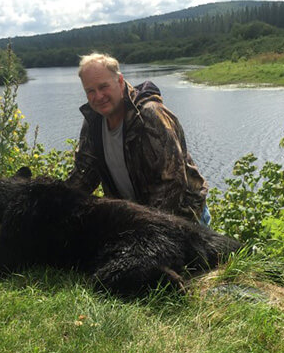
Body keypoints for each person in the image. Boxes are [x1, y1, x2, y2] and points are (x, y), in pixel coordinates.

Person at [65, 52, 211, 225]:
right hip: (137, 222)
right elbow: (84, 174)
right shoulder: (94, 121)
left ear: (119, 82)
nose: (98, 96)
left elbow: (172, 183)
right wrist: (55, 204)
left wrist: (142, 227)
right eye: (90, 91)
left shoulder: (150, 116)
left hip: (183, 218)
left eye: (103, 87)